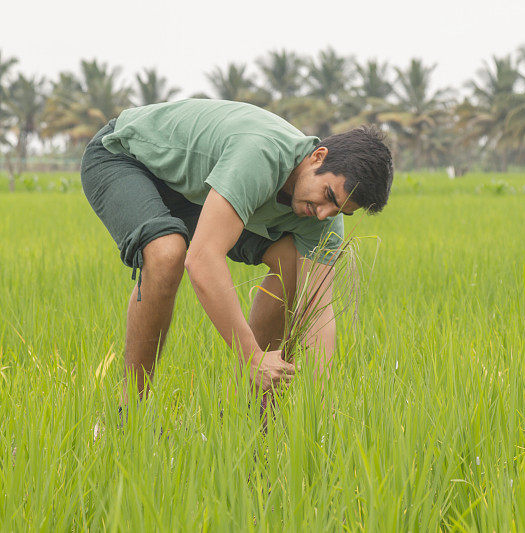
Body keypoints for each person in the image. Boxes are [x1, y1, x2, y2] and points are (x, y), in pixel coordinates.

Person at [80, 98, 393, 402]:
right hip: (125, 156)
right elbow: (202, 260)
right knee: (166, 253)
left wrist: (318, 402)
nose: (324, 213)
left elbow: (318, 311)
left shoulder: (322, 219)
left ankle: (244, 413)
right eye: (327, 195)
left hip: (197, 191)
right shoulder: (260, 155)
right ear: (317, 157)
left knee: (291, 264)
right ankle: (130, 411)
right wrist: (251, 356)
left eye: (340, 211)